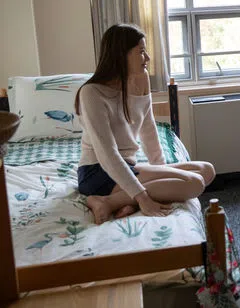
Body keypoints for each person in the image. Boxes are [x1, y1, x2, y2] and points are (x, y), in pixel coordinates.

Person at [75, 23, 216, 224]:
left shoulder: (140, 79)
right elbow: (107, 153)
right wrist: (143, 198)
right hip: (99, 173)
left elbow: (148, 128)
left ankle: (119, 201)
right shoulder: (92, 93)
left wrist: (162, 169)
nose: (148, 58)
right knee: (194, 183)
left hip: (128, 166)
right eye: (141, 52)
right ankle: (105, 201)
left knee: (206, 169)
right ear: (120, 55)